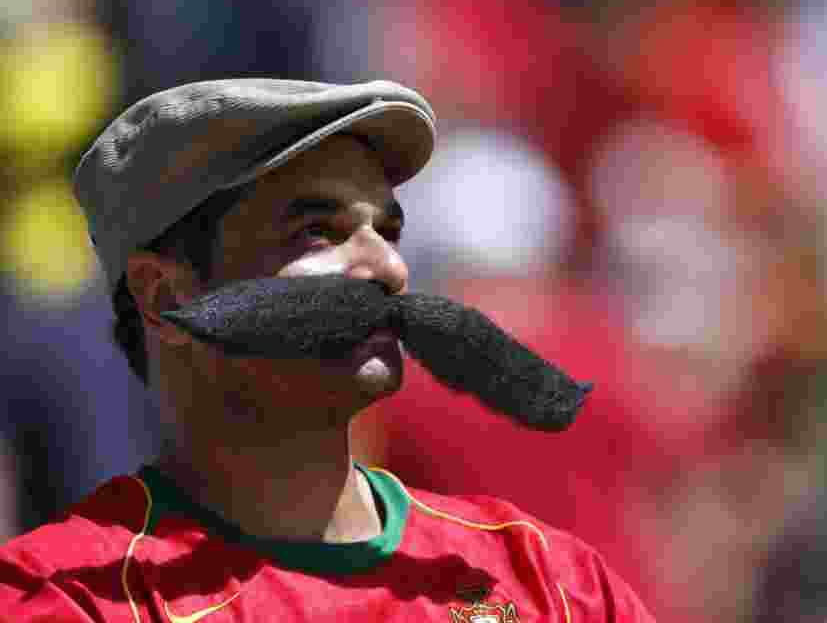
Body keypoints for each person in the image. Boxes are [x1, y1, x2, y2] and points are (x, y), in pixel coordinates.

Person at [0, 79, 654, 621]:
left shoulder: (551, 583)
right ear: (166, 299)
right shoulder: (70, 598)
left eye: (388, 230)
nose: (389, 269)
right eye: (318, 232)